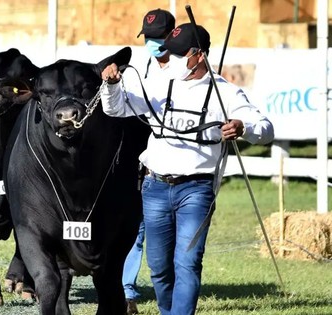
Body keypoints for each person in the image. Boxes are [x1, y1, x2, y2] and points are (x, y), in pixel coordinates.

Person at [100, 23, 274, 314]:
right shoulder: (159, 83)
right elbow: (116, 109)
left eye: (181, 54)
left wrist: (243, 127)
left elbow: (266, 130)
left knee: (188, 262)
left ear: (199, 55)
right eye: (172, 53)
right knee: (158, 267)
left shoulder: (225, 93)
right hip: (154, 187)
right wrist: (112, 85)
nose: (174, 59)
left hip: (197, 189)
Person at [122, 8, 176, 314]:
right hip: (138, 158)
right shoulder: (140, 67)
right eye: (149, 38)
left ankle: (169, 287)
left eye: (159, 38)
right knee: (136, 227)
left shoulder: (185, 70)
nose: (153, 44)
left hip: (174, 163)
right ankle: (126, 290)